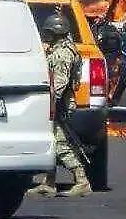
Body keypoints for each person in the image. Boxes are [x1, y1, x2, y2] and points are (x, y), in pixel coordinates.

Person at [28, 13, 92, 197]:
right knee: (52, 141)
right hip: (56, 104)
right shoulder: (60, 50)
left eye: (48, 32)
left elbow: (59, 85)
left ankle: (82, 180)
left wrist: (48, 105)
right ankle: (49, 182)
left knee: (60, 144)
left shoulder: (63, 54)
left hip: (59, 105)